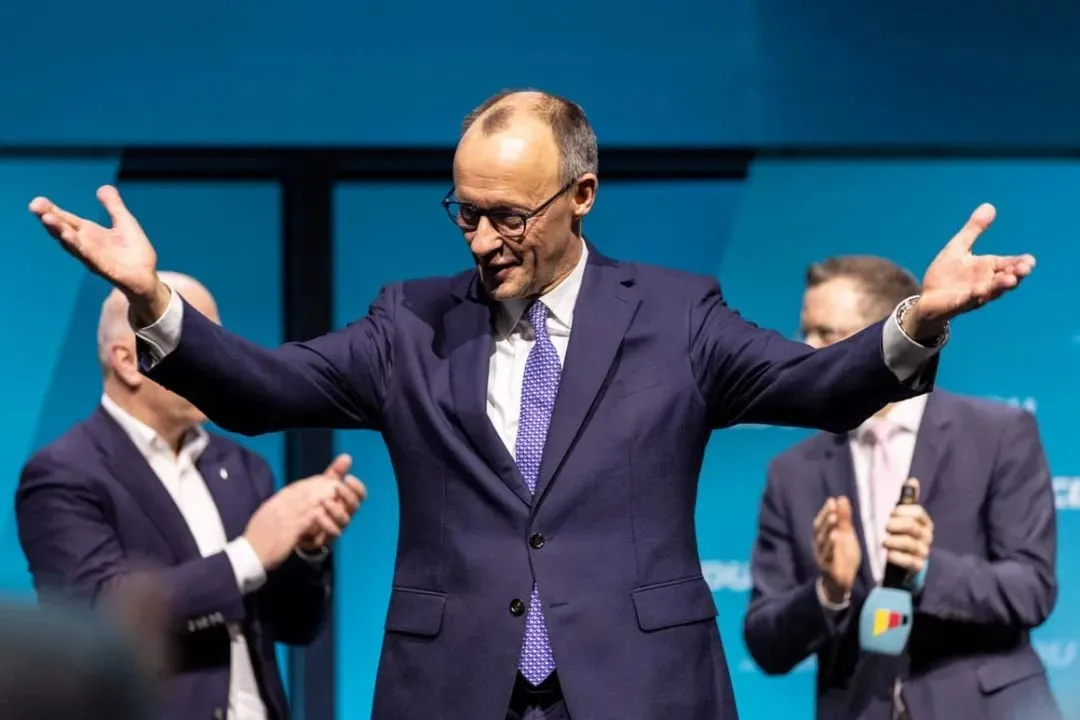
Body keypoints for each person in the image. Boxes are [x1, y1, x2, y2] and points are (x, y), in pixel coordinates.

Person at [28, 90, 1034, 720]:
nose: (480, 239)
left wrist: (919, 319)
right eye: (464, 212)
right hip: (453, 689)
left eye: (507, 216)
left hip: (639, 690)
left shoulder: (677, 315)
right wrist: (154, 303)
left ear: (582, 194)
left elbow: (816, 387)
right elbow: (264, 389)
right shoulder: (408, 322)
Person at [15, 273, 368, 720]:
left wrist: (306, 550)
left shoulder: (243, 465)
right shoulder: (64, 472)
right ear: (127, 361)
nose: (214, 362)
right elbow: (98, 615)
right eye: (191, 343)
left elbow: (294, 626)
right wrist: (249, 555)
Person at [743, 256, 1059, 720]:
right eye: (804, 332)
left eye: (826, 334)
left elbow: (1032, 590)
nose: (807, 350)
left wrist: (927, 570)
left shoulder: (999, 433)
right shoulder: (792, 472)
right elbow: (765, 642)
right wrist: (829, 590)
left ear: (884, 336)